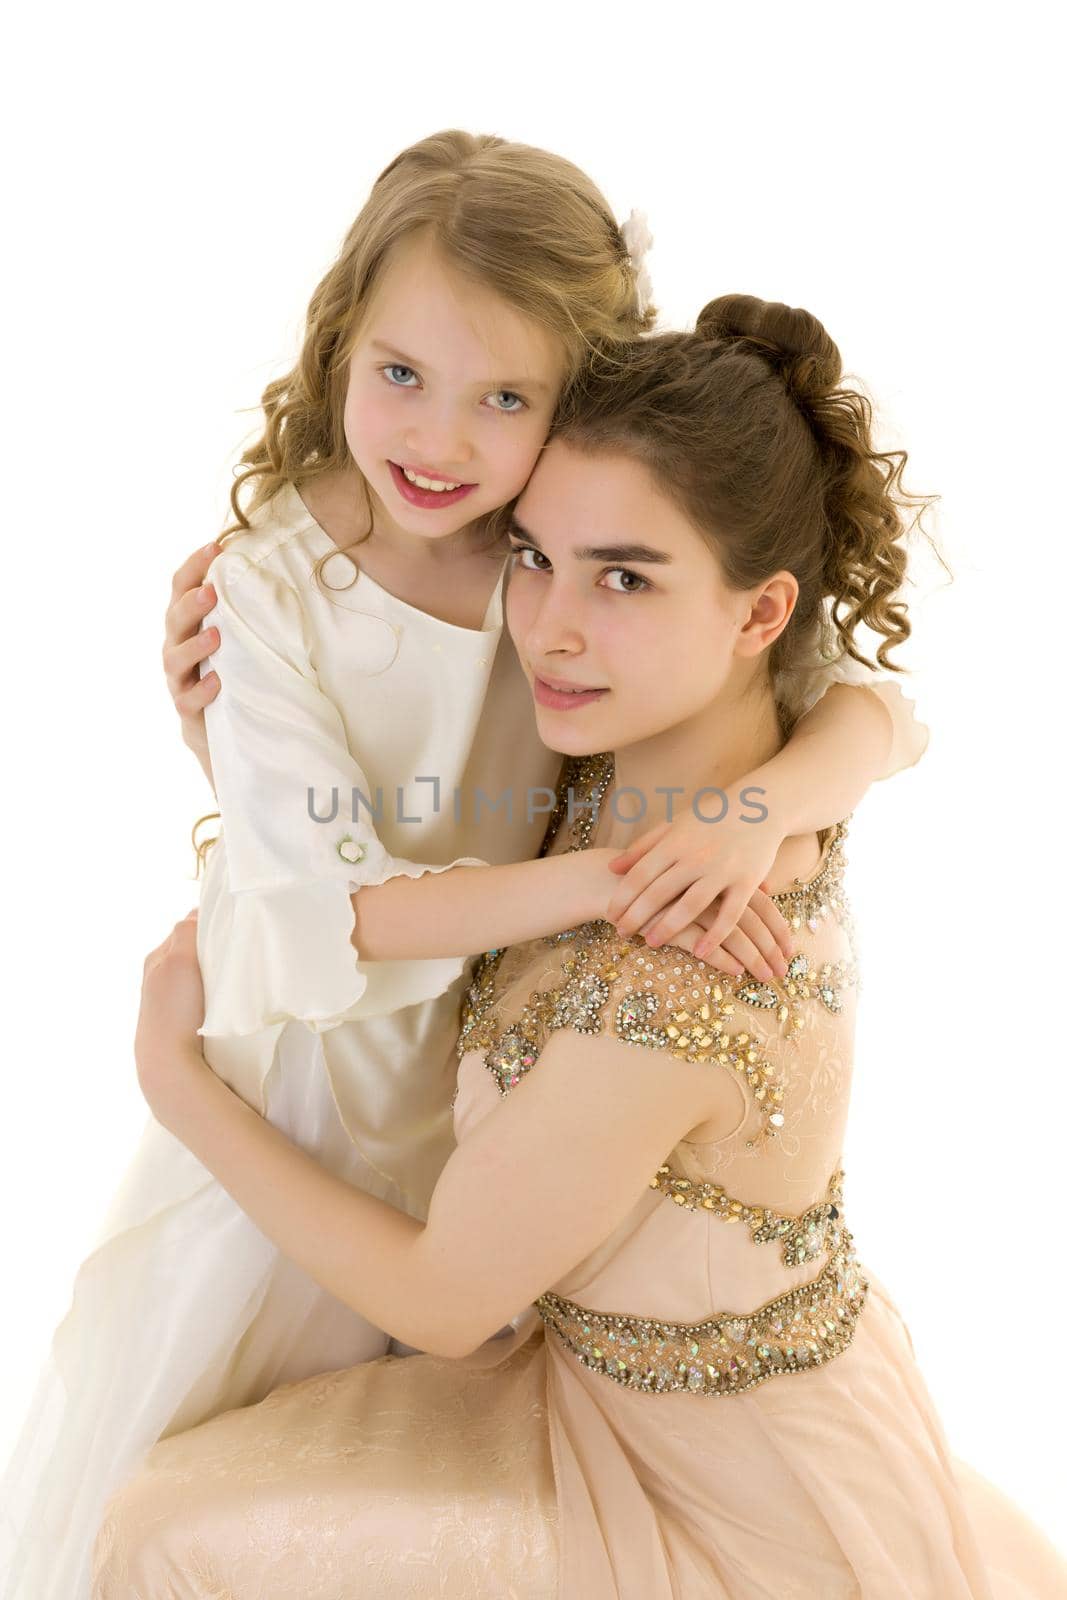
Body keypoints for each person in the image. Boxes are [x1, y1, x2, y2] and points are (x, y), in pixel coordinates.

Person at [0, 129, 924, 1600]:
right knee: (215, 1422)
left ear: (564, 412)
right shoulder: (320, 582)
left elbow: (875, 707)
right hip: (335, 1074)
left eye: (506, 398)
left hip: (485, 1108)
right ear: (337, 345)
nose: (440, 440)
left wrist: (762, 810)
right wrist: (239, 773)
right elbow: (332, 895)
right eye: (401, 375)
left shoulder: (541, 553)